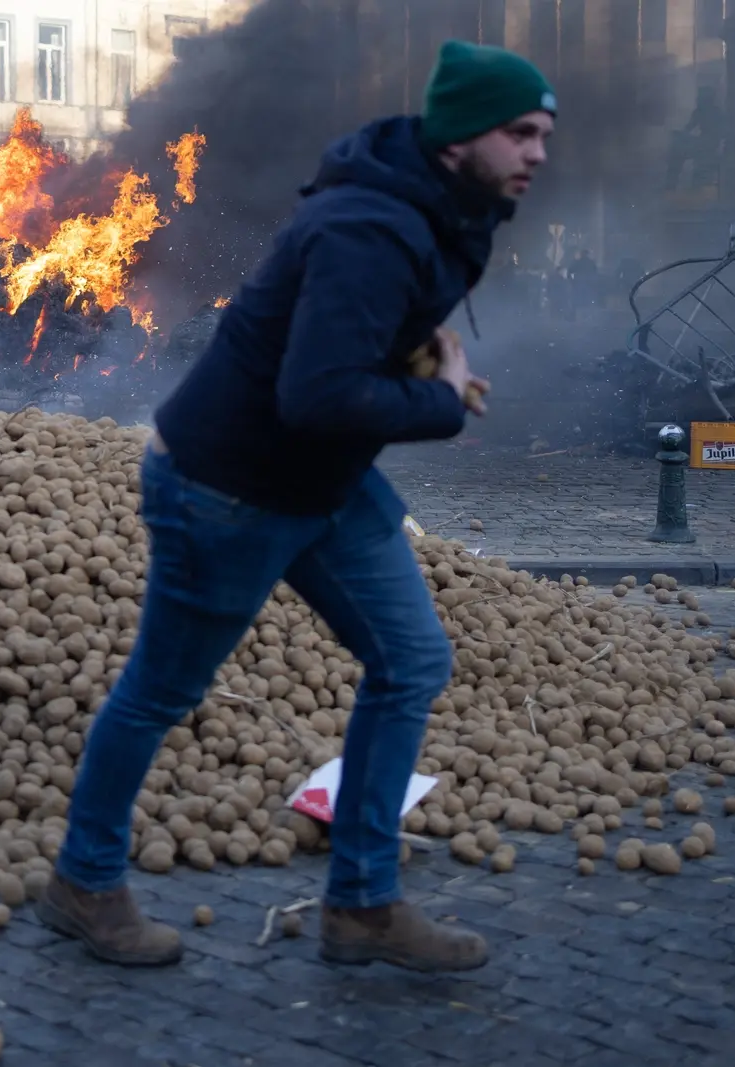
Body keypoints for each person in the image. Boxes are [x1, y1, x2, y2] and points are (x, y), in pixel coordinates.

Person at [38, 39, 554, 972]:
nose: (537, 152)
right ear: (456, 138)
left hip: (323, 480)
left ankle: (361, 904)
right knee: (161, 690)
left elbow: (367, 328)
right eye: (518, 132)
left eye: (542, 134)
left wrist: (418, 340)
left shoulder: (437, 200)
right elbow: (315, 395)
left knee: (410, 659)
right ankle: (83, 881)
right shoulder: (370, 227)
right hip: (226, 487)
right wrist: (445, 398)